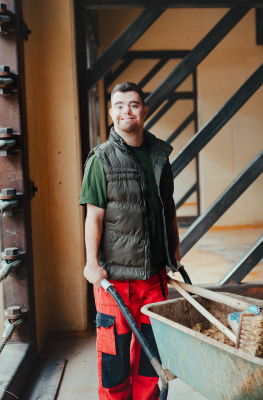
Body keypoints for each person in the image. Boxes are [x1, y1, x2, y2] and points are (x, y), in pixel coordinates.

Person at [79, 82, 181, 400]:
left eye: (134, 105)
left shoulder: (160, 157)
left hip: (154, 277)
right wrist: (92, 264)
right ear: (111, 113)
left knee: (151, 363)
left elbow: (168, 208)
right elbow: (93, 217)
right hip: (115, 282)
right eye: (120, 105)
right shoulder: (101, 160)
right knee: (115, 363)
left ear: (144, 111)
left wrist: (174, 250)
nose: (127, 111)